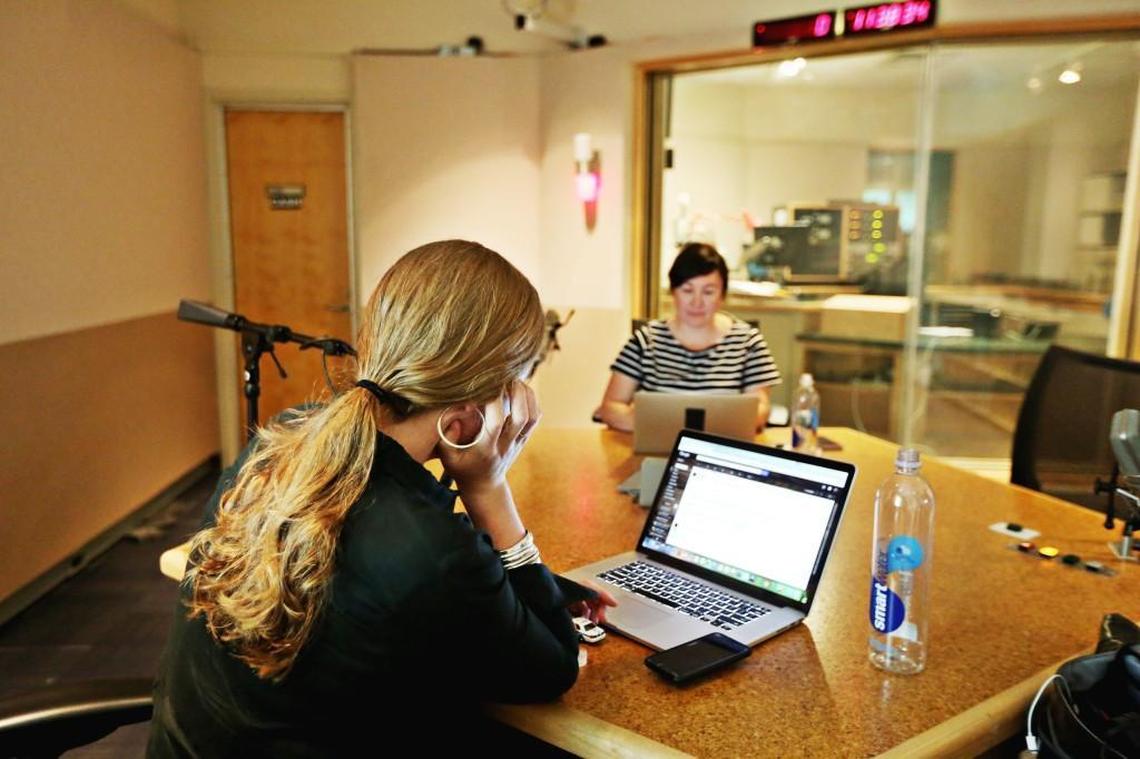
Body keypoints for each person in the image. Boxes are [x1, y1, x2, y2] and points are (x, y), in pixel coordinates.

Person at [148, 240, 615, 757]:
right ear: (469, 413)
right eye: (518, 385)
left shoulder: (281, 438)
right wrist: (489, 487)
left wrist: (530, 587)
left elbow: (365, 577)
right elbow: (550, 668)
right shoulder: (430, 550)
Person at [594, 242, 780, 432]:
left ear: (722, 295)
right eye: (687, 290)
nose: (696, 302)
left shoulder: (748, 342)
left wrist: (706, 433)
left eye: (708, 292)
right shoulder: (645, 341)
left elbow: (760, 410)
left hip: (719, 453)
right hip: (656, 453)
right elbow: (610, 407)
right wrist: (655, 428)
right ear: (673, 292)